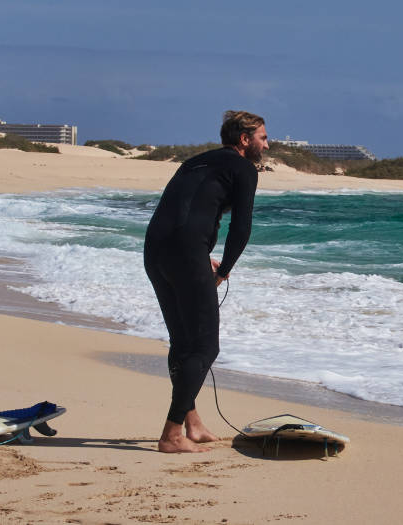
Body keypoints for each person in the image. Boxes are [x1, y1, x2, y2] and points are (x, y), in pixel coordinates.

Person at [143, 110, 267, 453]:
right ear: (245, 140)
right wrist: (223, 268)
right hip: (185, 254)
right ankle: (170, 435)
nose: (266, 145)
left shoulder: (195, 162)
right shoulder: (243, 168)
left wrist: (197, 256)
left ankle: (191, 423)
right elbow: (241, 227)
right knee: (205, 347)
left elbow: (183, 209)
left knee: (182, 343)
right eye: (263, 138)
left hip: (155, 250)